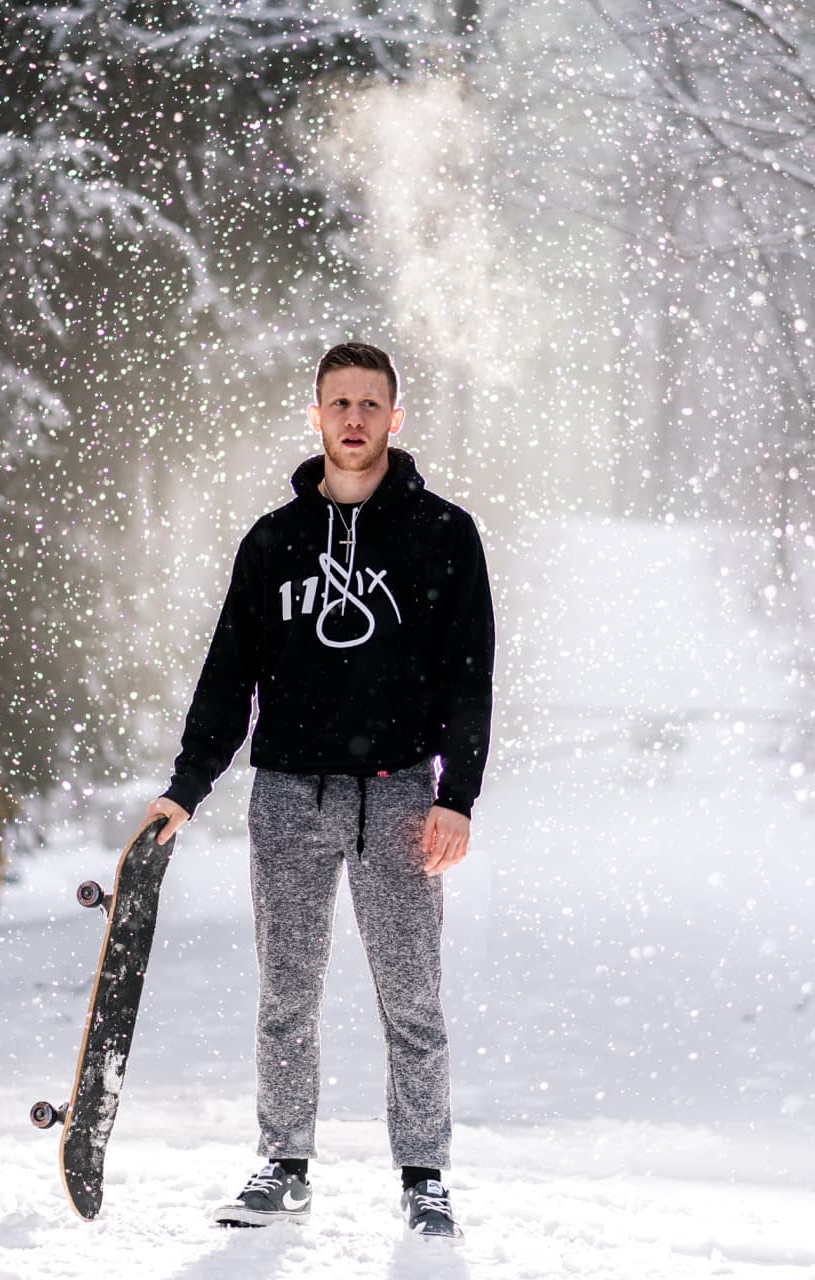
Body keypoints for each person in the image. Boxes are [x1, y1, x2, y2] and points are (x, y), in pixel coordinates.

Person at [144, 341, 494, 1239]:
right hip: (290, 794)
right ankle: (283, 1164)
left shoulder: (443, 534)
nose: (353, 419)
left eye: (370, 405)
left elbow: (468, 676)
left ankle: (425, 1177)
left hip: (403, 794)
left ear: (394, 418)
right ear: (316, 415)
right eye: (338, 403)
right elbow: (229, 679)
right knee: (286, 991)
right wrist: (187, 787)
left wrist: (459, 795)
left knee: (411, 993)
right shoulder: (273, 541)